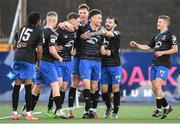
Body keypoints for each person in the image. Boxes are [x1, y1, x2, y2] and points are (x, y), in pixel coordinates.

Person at [130, 15, 178, 119]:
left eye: (159, 22)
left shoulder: (170, 35)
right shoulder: (157, 36)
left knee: (157, 86)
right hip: (154, 64)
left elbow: (175, 49)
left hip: (164, 64)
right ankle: (162, 108)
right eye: (158, 21)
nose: (157, 23)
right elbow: (147, 47)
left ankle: (162, 108)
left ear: (165, 23)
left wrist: (162, 53)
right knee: (154, 88)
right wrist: (136, 45)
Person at [27, 11, 65, 119]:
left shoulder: (39, 31)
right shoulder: (52, 33)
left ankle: (27, 110)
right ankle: (59, 110)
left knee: (37, 87)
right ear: (54, 20)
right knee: (55, 84)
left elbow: (35, 47)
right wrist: (59, 57)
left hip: (38, 62)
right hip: (47, 62)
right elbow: (52, 50)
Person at [45, 12, 80, 118]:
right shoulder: (60, 29)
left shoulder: (75, 31)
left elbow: (72, 44)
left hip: (69, 61)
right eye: (77, 21)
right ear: (72, 21)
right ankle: (50, 108)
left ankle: (56, 110)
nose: (78, 24)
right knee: (58, 84)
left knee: (64, 87)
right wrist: (54, 46)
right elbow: (50, 37)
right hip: (58, 60)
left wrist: (72, 52)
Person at [11, 12, 43, 120]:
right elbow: (39, 51)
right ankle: (28, 114)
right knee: (29, 85)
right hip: (28, 59)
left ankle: (14, 113)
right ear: (37, 20)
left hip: (17, 57)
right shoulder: (38, 31)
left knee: (17, 85)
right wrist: (38, 63)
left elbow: (15, 45)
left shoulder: (21, 28)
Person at [78, 9, 106, 119]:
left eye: (101, 18)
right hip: (85, 59)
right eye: (99, 18)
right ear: (92, 18)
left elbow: (102, 48)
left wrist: (106, 51)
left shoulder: (102, 31)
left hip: (97, 61)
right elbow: (80, 36)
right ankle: (90, 109)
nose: (101, 20)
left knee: (94, 87)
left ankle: (88, 110)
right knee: (86, 85)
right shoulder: (83, 28)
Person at [67, 3, 91, 118]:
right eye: (80, 13)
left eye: (84, 12)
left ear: (88, 14)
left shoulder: (91, 26)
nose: (82, 15)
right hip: (77, 57)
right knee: (75, 83)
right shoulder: (74, 25)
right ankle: (70, 110)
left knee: (89, 84)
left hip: (88, 58)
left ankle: (87, 110)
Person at [99, 16, 122, 119]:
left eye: (110, 22)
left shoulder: (117, 33)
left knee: (115, 88)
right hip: (104, 65)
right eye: (107, 22)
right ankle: (109, 107)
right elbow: (102, 51)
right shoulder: (101, 35)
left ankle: (115, 112)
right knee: (103, 90)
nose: (107, 23)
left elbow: (109, 34)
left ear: (115, 25)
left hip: (115, 65)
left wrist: (99, 30)